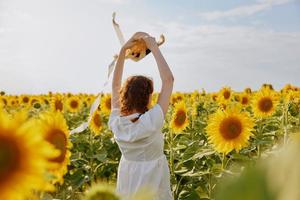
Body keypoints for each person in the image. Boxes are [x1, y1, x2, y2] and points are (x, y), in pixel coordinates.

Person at [108, 32, 174, 200]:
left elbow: (115, 85)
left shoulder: (117, 123)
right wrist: (153, 47)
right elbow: (168, 80)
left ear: (124, 95)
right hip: (153, 188)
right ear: (148, 97)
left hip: (128, 185)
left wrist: (123, 51)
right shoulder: (152, 121)